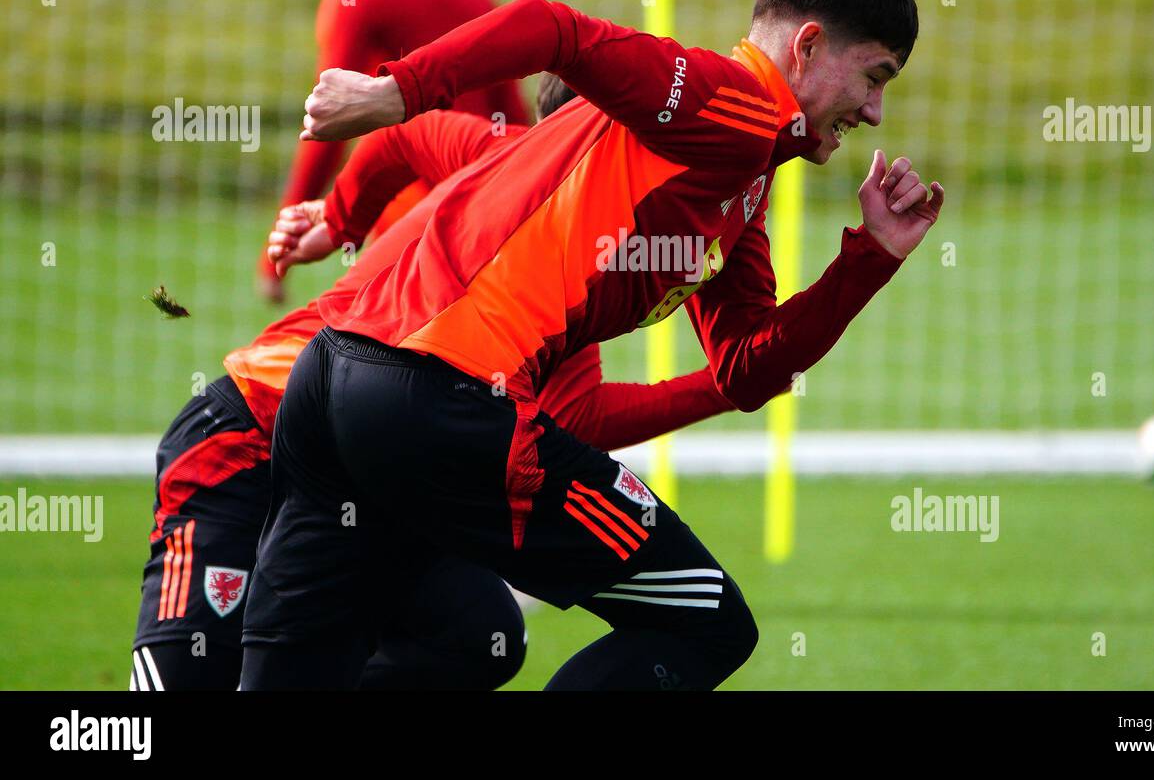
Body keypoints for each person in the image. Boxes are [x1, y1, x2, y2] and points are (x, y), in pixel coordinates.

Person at [241, 0, 944, 690]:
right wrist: (394, 90)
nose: (874, 111)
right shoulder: (732, 101)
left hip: (333, 382)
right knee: (707, 622)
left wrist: (871, 257)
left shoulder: (745, 171)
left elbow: (744, 369)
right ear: (807, 46)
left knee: (412, 651)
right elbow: (554, 28)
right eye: (875, 76)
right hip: (446, 401)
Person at [132, 76, 731, 690]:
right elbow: (581, 419)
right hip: (250, 430)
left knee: (477, 638)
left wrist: (341, 220)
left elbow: (406, 136)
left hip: (371, 473)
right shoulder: (554, 218)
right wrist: (723, 387)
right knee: (187, 678)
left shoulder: (556, 212)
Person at [257, 0, 529, 301]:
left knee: (363, 348)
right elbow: (511, 110)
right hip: (491, 208)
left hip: (411, 215)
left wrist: (274, 250)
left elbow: (325, 124)